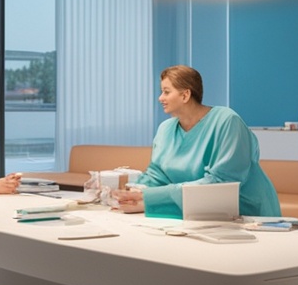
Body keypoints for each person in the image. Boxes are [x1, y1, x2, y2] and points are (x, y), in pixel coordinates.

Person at [112, 65, 281, 218]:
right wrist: (131, 191)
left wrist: (148, 197)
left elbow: (222, 183)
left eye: (166, 91)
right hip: (194, 210)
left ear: (185, 95)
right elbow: (157, 175)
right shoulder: (166, 129)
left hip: (244, 214)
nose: (160, 98)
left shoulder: (227, 121)